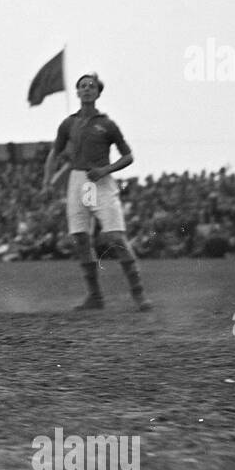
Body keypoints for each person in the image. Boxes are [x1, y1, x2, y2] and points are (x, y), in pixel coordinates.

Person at [41, 72, 151, 312]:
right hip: (78, 180)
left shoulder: (107, 124)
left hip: (100, 180)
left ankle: (139, 295)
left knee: (115, 237)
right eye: (83, 86)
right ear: (78, 92)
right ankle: (95, 296)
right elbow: (54, 152)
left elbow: (128, 156)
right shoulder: (68, 123)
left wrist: (105, 170)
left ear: (98, 93)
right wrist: (47, 182)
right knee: (80, 237)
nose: (87, 89)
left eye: (91, 86)